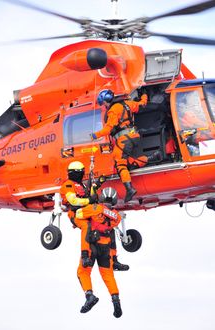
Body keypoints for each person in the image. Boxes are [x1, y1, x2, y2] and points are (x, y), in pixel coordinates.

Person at [90, 89, 161, 202]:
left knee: (120, 165)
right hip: (134, 136)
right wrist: (144, 94)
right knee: (127, 163)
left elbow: (109, 129)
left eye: (103, 104)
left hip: (124, 139)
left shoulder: (113, 110)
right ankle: (152, 157)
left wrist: (95, 135)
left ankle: (129, 189)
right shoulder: (127, 103)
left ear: (106, 101)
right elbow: (142, 104)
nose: (104, 106)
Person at [60, 160, 129, 271]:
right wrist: (88, 200)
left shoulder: (81, 185)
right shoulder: (68, 184)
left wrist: (98, 183)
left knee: (108, 227)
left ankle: (114, 260)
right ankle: (85, 256)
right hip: (76, 213)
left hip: (89, 212)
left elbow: (90, 193)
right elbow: (72, 200)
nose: (82, 174)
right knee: (86, 226)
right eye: (80, 172)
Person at [76, 187, 123, 318]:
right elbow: (112, 226)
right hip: (106, 247)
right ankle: (116, 302)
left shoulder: (95, 208)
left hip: (92, 245)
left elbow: (79, 214)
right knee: (108, 276)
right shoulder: (117, 216)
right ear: (114, 200)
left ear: (101, 197)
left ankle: (89, 295)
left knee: (83, 272)